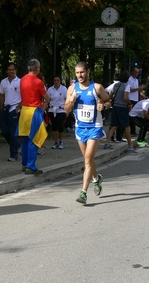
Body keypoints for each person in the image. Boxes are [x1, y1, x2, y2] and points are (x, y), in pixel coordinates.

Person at [64, 61, 111, 205]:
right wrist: (71, 102)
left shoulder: (96, 87)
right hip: (80, 128)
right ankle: (96, 179)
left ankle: (83, 193)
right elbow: (66, 110)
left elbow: (108, 101)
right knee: (88, 160)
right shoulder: (72, 89)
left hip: (94, 128)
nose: (80, 75)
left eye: (82, 72)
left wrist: (103, 106)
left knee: (88, 160)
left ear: (88, 71)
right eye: (77, 73)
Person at [18, 59, 50, 175]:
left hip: (24, 111)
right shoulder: (38, 82)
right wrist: (44, 105)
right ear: (37, 68)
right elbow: (47, 97)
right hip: (34, 111)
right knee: (34, 138)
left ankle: (24, 163)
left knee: (25, 138)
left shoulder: (22, 80)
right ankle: (31, 166)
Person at [103, 70, 137, 153]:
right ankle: (130, 146)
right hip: (122, 108)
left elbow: (110, 96)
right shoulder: (127, 86)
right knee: (127, 127)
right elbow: (125, 97)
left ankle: (107, 143)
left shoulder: (116, 85)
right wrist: (129, 103)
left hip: (115, 107)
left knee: (114, 125)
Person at [0, 63, 22, 162]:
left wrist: (18, 108)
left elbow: (24, 96)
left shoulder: (20, 82)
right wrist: (1, 106)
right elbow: (1, 95)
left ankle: (13, 154)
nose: (11, 71)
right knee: (4, 131)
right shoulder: (3, 82)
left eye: (12, 69)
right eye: (9, 69)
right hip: (6, 108)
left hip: (15, 109)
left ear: (15, 70)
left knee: (13, 132)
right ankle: (17, 145)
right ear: (6, 71)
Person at [47, 76, 67, 149]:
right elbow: (48, 99)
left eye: (57, 80)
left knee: (60, 126)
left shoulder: (64, 89)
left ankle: (61, 140)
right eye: (55, 80)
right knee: (54, 127)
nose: (56, 82)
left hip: (61, 110)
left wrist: (67, 110)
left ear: (60, 81)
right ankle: (56, 142)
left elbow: (66, 99)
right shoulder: (50, 89)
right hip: (52, 110)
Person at [127, 67, 146, 136]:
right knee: (131, 116)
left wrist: (141, 94)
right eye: (135, 72)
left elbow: (137, 90)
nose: (136, 74)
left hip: (136, 99)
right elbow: (130, 89)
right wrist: (139, 88)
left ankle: (133, 130)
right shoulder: (129, 79)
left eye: (138, 72)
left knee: (134, 115)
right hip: (131, 99)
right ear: (132, 72)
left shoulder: (137, 80)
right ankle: (132, 131)